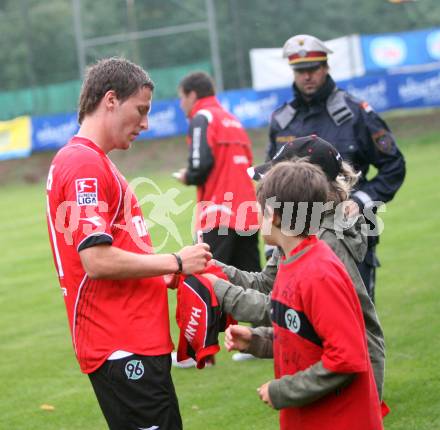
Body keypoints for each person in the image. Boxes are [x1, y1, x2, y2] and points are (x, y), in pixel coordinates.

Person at [45, 57, 211, 430]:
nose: (146, 123)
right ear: (110, 100)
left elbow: (115, 249)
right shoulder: (84, 164)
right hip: (120, 343)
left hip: (132, 340)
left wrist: (158, 274)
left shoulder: (93, 161)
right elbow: (97, 260)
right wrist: (175, 262)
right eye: (141, 110)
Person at [206, 135, 385, 400]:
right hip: (321, 365)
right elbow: (269, 284)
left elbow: (291, 309)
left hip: (347, 379)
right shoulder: (297, 233)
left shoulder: (325, 244)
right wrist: (211, 267)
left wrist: (220, 290)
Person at [266, 34, 406, 301]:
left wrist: (361, 200)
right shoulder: (282, 121)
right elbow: (271, 182)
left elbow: (394, 165)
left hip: (348, 235)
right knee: (302, 329)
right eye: (300, 70)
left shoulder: (355, 113)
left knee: (357, 324)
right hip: (295, 239)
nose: (307, 76)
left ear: (326, 66)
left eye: (313, 68)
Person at [175, 71, 261, 273]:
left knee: (209, 280)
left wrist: (187, 176)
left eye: (182, 98)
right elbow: (248, 164)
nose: (181, 104)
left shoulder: (202, 117)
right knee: (250, 284)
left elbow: (199, 167)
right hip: (246, 213)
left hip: (218, 213)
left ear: (192, 95)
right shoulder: (234, 121)